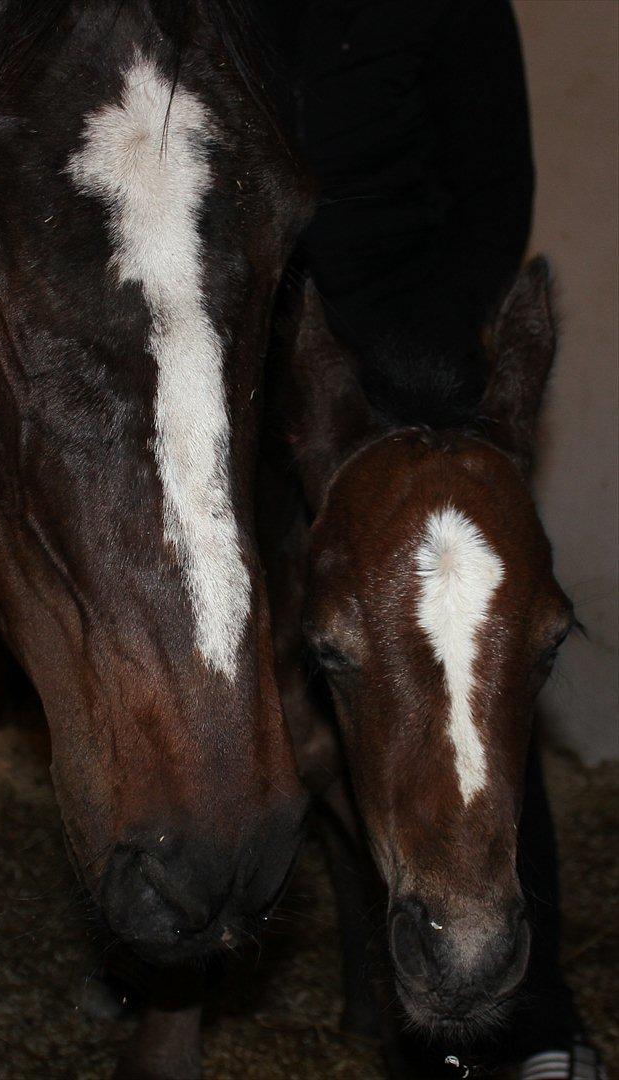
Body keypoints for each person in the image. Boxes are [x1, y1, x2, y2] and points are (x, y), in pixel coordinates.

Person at [257, 2, 605, 1077]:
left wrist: (430, 343)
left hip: (416, 356)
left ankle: (534, 1011)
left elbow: (492, 186)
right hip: (256, 334)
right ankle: (171, 946)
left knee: (475, 645)